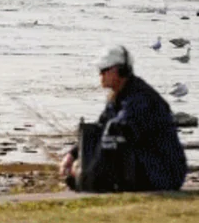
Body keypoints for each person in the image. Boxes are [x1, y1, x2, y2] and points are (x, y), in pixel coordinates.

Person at [60, 46, 188, 193]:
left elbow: (120, 129)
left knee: (113, 133)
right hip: (143, 165)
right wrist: (73, 155)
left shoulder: (141, 98)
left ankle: (94, 180)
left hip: (162, 172)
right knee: (86, 161)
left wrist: (89, 166)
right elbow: (99, 128)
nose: (100, 75)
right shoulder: (118, 97)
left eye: (104, 70)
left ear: (119, 70)